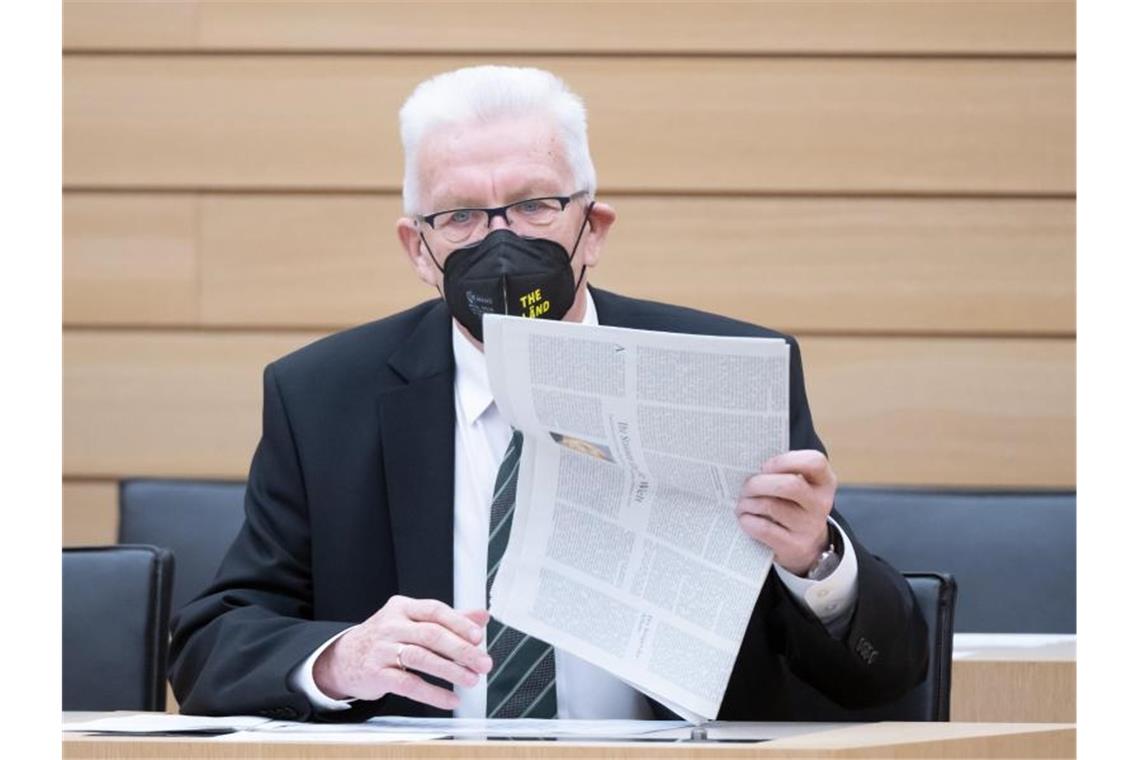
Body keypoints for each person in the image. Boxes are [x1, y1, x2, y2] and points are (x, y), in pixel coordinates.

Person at [169, 65, 928, 722]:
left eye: (535, 206)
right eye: (461, 215)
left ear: (592, 228)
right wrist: (338, 658)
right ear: (419, 249)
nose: (500, 240)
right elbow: (212, 645)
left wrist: (815, 562)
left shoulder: (723, 370)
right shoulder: (322, 397)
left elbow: (881, 673)